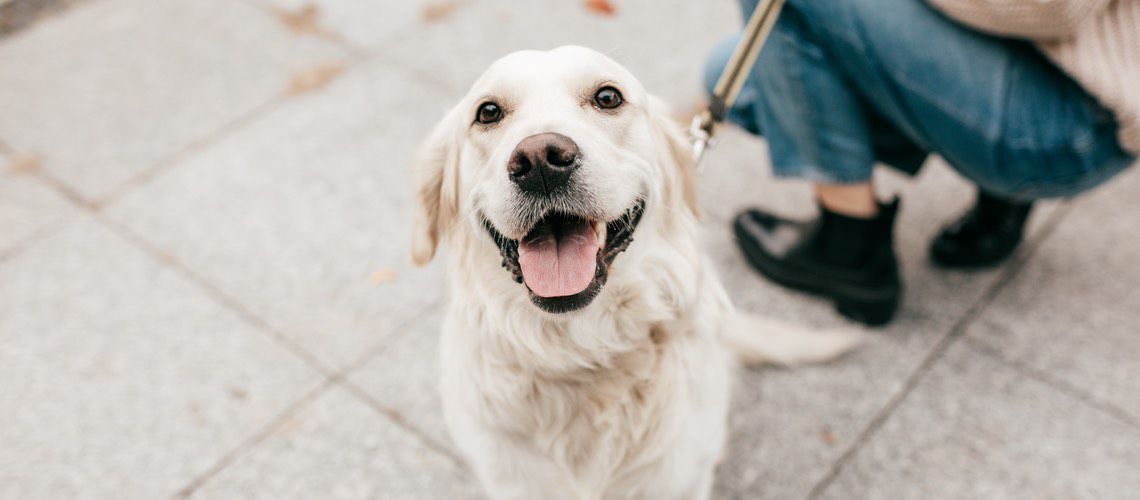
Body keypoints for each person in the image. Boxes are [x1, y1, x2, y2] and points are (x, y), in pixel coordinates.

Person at [704, 0, 1138, 325]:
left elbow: (1051, 7)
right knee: (737, 72)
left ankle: (848, 247)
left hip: (1077, 118)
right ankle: (998, 191)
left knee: (781, 22)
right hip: (1058, 66)